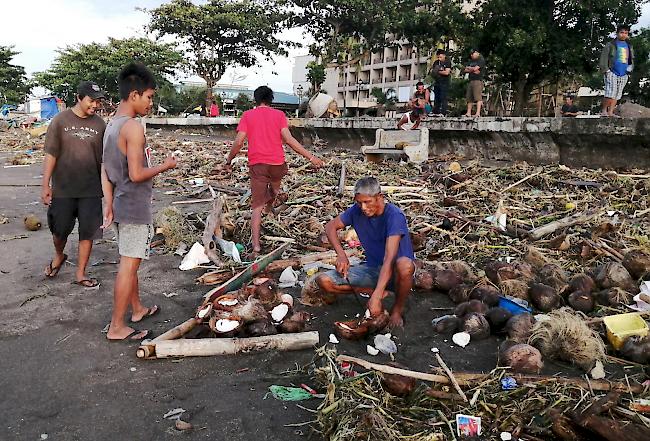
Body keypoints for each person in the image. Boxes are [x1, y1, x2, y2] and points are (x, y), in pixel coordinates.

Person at [102, 63, 178, 341]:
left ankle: (137, 309)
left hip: (120, 204)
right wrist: (165, 166)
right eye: (149, 97)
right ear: (134, 95)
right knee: (129, 266)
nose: (150, 103)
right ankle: (116, 327)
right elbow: (136, 174)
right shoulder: (133, 128)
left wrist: (108, 203)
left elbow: (105, 169)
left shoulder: (112, 125)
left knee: (128, 261)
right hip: (134, 206)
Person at [225, 86, 324, 255]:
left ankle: (256, 246)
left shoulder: (248, 116)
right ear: (271, 99)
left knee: (256, 206)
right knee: (275, 190)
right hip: (277, 163)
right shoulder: (279, 115)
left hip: (258, 164)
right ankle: (269, 208)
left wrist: (229, 158)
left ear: (255, 100)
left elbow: (239, 141)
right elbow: (289, 140)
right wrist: (311, 157)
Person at [311, 177, 415, 328]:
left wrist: (377, 297)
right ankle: (376, 293)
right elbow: (330, 227)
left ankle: (398, 308)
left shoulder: (394, 215)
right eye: (359, 202)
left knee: (404, 265)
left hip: (395, 271)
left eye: (367, 202)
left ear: (380, 197)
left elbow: (389, 258)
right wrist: (341, 255)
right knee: (324, 281)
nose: (363, 207)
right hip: (373, 268)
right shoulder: (356, 211)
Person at [41, 81, 106, 287]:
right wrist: (45, 185)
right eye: (91, 100)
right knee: (59, 230)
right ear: (79, 98)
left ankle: (81, 273)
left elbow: (104, 160)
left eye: (98, 101)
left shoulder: (100, 125)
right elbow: (51, 154)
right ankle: (59, 255)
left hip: (91, 189)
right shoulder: (60, 121)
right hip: (63, 189)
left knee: (88, 232)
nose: (95, 105)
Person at [599, 24, 635, 117]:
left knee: (618, 94)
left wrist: (629, 71)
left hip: (624, 73)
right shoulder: (611, 45)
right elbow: (604, 58)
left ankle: (611, 112)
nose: (623, 35)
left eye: (626, 33)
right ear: (617, 33)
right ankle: (604, 110)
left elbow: (631, 58)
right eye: (622, 32)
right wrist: (606, 70)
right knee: (610, 92)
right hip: (612, 71)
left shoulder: (629, 45)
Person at [464, 49, 486, 117]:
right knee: (469, 97)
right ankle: (468, 112)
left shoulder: (481, 60)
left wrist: (470, 69)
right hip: (471, 80)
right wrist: (472, 69)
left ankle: (478, 113)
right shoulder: (471, 61)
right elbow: (465, 69)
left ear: (476, 53)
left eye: (472, 54)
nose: (471, 56)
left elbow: (475, 69)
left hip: (478, 80)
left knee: (478, 97)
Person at [430, 49, 452, 116]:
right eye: (438, 57)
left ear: (444, 56)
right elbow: (433, 72)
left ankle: (443, 112)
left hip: (444, 82)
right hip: (437, 82)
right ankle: (436, 111)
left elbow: (447, 72)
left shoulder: (447, 62)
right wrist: (437, 72)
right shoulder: (436, 62)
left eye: (441, 57)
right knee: (437, 97)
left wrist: (438, 71)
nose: (439, 59)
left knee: (443, 97)